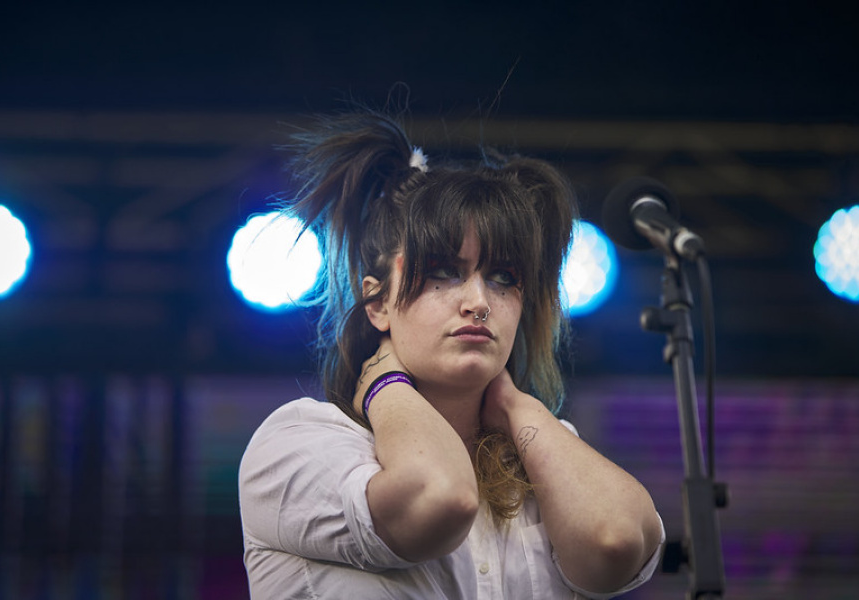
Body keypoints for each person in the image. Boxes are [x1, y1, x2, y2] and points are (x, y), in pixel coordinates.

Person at [238, 110, 665, 599]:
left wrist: (516, 405)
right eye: (443, 271)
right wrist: (385, 385)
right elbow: (440, 497)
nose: (479, 302)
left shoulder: (544, 454)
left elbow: (615, 541)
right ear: (377, 304)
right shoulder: (299, 443)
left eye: (503, 277)